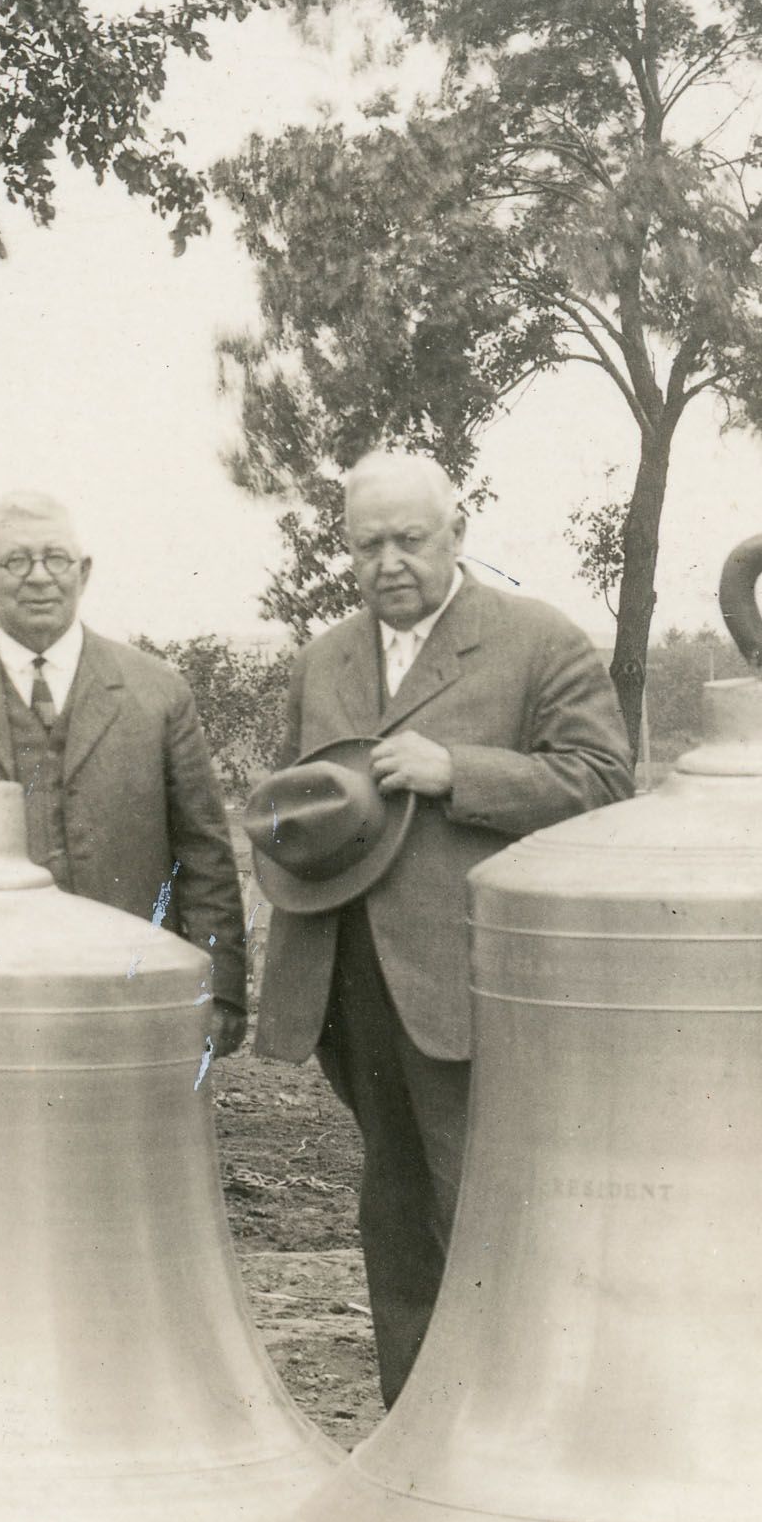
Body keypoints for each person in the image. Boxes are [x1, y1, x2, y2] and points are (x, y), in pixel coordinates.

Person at [241, 449, 633, 1400]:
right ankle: (414, 1429)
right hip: (348, 982)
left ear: (457, 534)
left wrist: (462, 771)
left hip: (474, 981)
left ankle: (506, 1423)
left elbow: (608, 781)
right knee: (394, 1207)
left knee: (482, 1213)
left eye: (411, 540)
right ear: (346, 548)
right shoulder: (323, 658)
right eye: (368, 544)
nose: (390, 563)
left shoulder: (536, 640)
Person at [0, 486, 245, 1046]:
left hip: (133, 994)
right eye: (17, 561)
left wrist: (220, 991)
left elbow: (205, 855)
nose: (40, 577)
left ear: (84, 571)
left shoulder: (157, 694)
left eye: (56, 559)